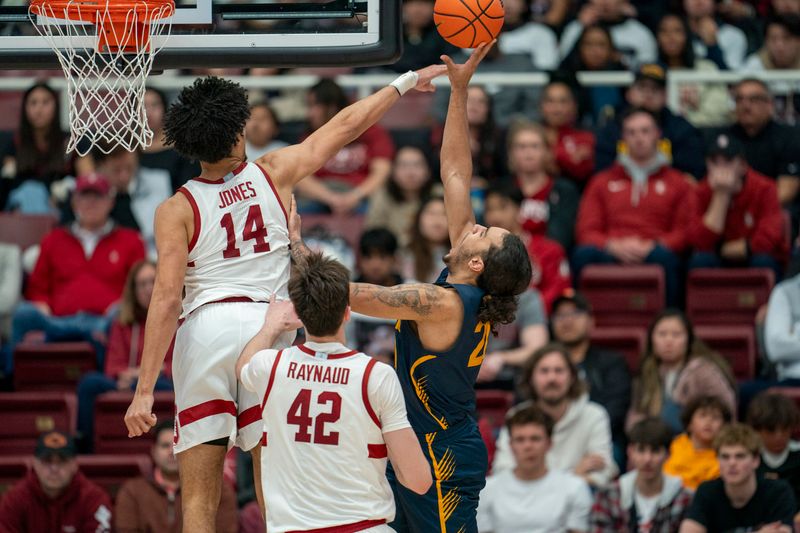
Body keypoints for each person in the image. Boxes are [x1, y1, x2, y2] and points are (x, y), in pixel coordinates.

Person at [123, 66, 446, 532]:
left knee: (199, 496)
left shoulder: (175, 208)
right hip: (267, 326)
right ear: (238, 130)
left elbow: (167, 296)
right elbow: (345, 126)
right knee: (272, 483)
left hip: (206, 328)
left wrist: (144, 389)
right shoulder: (273, 172)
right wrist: (404, 82)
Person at [290, 44, 533, 531]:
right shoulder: (463, 285)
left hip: (442, 455)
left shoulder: (440, 302)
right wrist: (458, 92)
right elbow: (455, 173)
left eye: (485, 231)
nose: (477, 225)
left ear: (478, 260)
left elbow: (349, 295)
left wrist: (297, 247)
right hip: (418, 449)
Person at [236, 252, 432, 531]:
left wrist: (271, 326)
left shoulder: (271, 365)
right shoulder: (375, 376)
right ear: (348, 312)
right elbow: (418, 481)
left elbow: (243, 367)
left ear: (300, 315)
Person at [8, 173, 146, 372]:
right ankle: (12, 383)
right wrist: (43, 305)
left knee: (119, 317)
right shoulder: (53, 240)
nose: (91, 203)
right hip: (57, 321)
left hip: (104, 321)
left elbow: (139, 288)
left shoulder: (131, 241)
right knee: (22, 314)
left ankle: (110, 380)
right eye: (84, 196)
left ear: (110, 202)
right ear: (74, 202)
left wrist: (121, 307)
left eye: (97, 196)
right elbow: (37, 288)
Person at [573, 108, 695, 306]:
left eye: (645, 131)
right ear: (623, 138)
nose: (639, 138)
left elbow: (684, 232)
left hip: (656, 252)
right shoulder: (601, 181)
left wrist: (653, 245)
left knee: (669, 258)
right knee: (583, 254)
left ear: (658, 134)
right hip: (611, 251)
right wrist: (613, 245)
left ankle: (670, 322)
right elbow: (586, 230)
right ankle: (585, 320)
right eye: (632, 132)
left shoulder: (678, 182)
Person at [76, 260, 173, 452]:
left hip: (160, 382)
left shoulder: (176, 320)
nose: (148, 288)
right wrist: (126, 375)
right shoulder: (122, 322)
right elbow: (112, 366)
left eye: (152, 281)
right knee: (89, 383)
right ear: (133, 290)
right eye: (142, 284)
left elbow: (181, 364)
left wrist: (154, 371)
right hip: (128, 382)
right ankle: (85, 448)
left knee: (167, 387)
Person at [493, 344, 618, 487]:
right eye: (544, 371)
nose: (551, 378)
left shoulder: (594, 415)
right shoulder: (516, 416)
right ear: (531, 378)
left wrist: (535, 480)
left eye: (559, 371)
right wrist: (574, 476)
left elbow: (604, 470)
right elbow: (502, 472)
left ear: (572, 377)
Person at [477, 405, 592, 532]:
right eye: (520, 440)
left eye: (535, 439)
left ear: (549, 443)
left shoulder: (574, 488)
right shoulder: (486, 490)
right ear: (510, 445)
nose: (528, 446)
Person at [687, 132, 786, 279]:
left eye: (728, 161)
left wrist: (737, 248)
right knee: (700, 261)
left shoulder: (765, 188)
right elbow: (699, 241)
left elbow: (769, 238)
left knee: (764, 261)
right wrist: (721, 196)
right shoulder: (700, 191)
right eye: (714, 162)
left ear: (743, 166)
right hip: (719, 258)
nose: (720, 169)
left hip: (753, 255)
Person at [294, 78, 395, 214]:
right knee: (295, 212)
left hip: (361, 196)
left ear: (332, 107)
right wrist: (331, 198)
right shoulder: (310, 135)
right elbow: (300, 177)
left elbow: (381, 172)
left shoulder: (372, 130)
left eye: (314, 106)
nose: (310, 113)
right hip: (321, 196)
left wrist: (354, 197)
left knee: (378, 211)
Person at [115, 421, 238, 532]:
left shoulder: (218, 489)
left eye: (178, 445)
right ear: (153, 451)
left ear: (190, 450)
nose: (172, 452)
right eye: (165, 446)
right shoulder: (132, 492)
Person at [550, 292, 631, 459]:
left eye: (575, 313)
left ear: (591, 322)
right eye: (560, 315)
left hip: (598, 438)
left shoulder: (612, 363)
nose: (567, 321)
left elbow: (616, 409)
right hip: (550, 439)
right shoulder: (542, 365)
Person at [627, 309, 736, 433]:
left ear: (688, 340)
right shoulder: (646, 372)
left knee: (671, 411)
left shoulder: (704, 370)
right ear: (652, 340)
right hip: (656, 443)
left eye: (676, 335)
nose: (669, 341)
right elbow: (635, 414)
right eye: (662, 334)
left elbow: (727, 409)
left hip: (696, 439)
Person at [593, 63, 706, 180]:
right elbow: (602, 174)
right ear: (629, 93)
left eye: (655, 89)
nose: (648, 95)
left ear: (665, 96)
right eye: (642, 87)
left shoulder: (682, 129)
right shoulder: (612, 129)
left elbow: (691, 174)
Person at [680, 423, 796, 533]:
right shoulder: (707, 491)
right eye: (725, 457)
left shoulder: (777, 492)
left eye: (740, 456)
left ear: (755, 460)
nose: (732, 463)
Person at [591, 418, 694, 532]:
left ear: (668, 454)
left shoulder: (685, 498)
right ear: (630, 452)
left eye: (655, 451)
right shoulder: (608, 495)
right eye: (641, 450)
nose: (647, 459)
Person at [482, 181, 571, 312]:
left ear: (519, 209)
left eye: (503, 207)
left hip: (538, 321)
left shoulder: (549, 250)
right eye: (489, 209)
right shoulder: (479, 251)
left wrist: (526, 313)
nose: (495, 216)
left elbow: (558, 288)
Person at [0, 430, 112, 532]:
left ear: (74, 464)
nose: (54, 469)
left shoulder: (94, 499)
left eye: (62, 461)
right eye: (47, 461)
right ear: (34, 463)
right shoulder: (14, 500)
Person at [722, 78, 800, 207]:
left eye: (754, 99)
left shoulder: (788, 138)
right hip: (730, 211)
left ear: (769, 104)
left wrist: (751, 211)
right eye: (740, 99)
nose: (745, 106)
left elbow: (786, 191)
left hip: (773, 210)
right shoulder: (724, 138)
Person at [507, 120, 580, 252]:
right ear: (511, 153)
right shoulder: (502, 190)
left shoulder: (564, 190)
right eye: (521, 147)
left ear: (547, 152)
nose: (528, 153)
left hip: (549, 261)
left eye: (535, 146)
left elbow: (560, 239)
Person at [656, 13, 730, 128]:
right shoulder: (651, 72)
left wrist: (686, 125)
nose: (670, 37)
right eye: (664, 31)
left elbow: (720, 108)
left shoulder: (707, 68)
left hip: (702, 133)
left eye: (677, 31)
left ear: (687, 35)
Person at [349, 228, 406, 364]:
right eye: (368, 257)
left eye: (382, 257)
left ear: (394, 259)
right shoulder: (346, 292)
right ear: (360, 260)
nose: (375, 264)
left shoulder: (411, 292)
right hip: (354, 368)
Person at [364, 145, 435, 248]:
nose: (410, 172)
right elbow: (374, 232)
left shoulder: (439, 194)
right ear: (392, 171)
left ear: (428, 171)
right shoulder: (383, 195)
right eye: (403, 165)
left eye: (417, 165)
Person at [559, 0, 657, 68]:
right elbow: (561, 65)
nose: (605, 2)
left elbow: (648, 69)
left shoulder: (641, 33)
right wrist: (581, 29)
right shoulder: (575, 28)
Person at [663, 395, 732, 490]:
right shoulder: (671, 445)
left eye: (715, 417)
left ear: (724, 426)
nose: (709, 422)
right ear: (689, 424)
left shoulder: (727, 457)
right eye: (703, 415)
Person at [139, 87, 200, 191]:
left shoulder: (182, 150)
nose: (148, 113)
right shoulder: (128, 149)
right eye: (142, 106)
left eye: (154, 105)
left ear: (164, 109)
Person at [747, 391, 800, 505]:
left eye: (785, 429)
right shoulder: (746, 457)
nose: (779, 437)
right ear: (757, 430)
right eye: (771, 430)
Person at [540, 79, 596, 186]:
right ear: (541, 106)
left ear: (574, 106)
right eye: (550, 101)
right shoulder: (530, 135)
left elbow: (581, 171)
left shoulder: (586, 138)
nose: (556, 109)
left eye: (563, 102)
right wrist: (567, 157)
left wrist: (553, 154)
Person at [682, 0, 748, 69]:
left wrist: (713, 45)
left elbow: (732, 76)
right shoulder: (672, 34)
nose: (699, 2)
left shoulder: (733, 35)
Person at [399, 195, 451, 283]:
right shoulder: (403, 254)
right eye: (431, 213)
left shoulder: (458, 258)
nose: (437, 221)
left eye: (444, 214)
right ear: (418, 218)